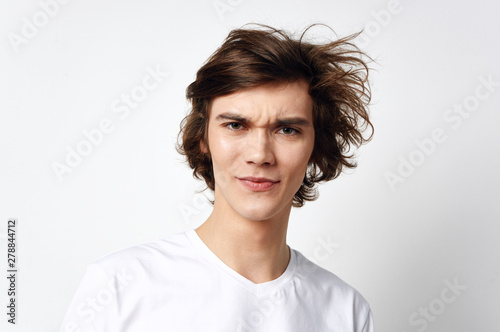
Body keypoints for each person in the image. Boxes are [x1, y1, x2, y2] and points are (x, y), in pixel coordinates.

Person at [59, 24, 374, 332]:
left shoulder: (345, 311)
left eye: (287, 129)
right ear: (203, 138)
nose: (260, 154)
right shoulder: (119, 286)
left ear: (317, 147)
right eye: (236, 125)